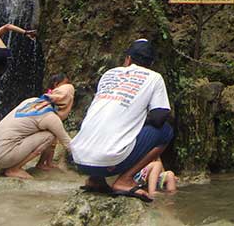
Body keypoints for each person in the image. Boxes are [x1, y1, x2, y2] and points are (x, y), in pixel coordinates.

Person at [70, 39, 173, 202]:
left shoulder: (109, 74)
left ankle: (95, 179)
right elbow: (160, 116)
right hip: (109, 161)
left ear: (128, 59)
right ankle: (125, 180)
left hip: (78, 160)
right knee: (166, 131)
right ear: (150, 63)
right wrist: (137, 123)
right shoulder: (154, 77)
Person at [0, 88, 73, 180]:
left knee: (48, 132)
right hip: (1, 157)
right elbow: (68, 144)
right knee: (50, 136)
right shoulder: (51, 118)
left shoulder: (31, 101)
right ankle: (14, 169)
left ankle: (43, 164)